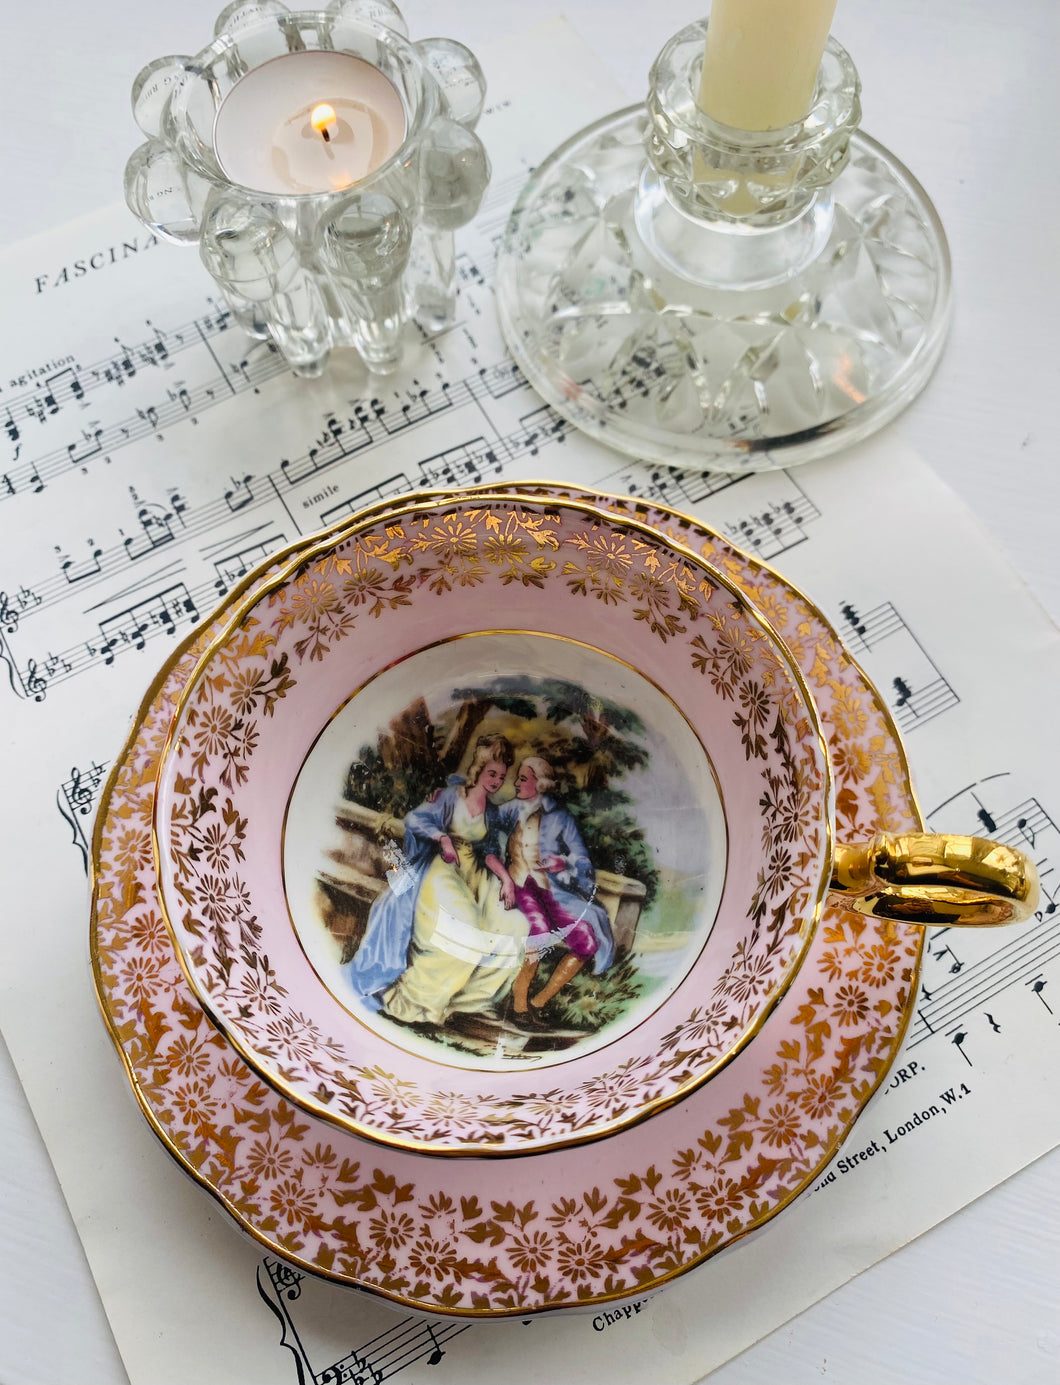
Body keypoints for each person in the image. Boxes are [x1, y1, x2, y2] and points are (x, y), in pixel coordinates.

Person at [347, 735, 526, 1028]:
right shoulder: (450, 797)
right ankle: (411, 1003)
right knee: (464, 929)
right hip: (442, 869)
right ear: (478, 769)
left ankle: (463, 1004)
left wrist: (506, 879)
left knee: (515, 926)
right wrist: (442, 837)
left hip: (475, 875)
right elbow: (416, 820)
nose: (496, 781)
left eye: (501, 776)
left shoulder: (491, 812)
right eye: (491, 773)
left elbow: (490, 852)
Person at [495, 755, 614, 1022]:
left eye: (523, 779)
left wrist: (563, 863)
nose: (516, 783)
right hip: (519, 883)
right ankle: (519, 1001)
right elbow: (481, 828)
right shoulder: (509, 810)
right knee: (539, 930)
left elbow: (582, 859)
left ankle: (539, 1001)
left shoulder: (560, 817)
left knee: (586, 938)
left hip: (552, 890)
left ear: (540, 784)